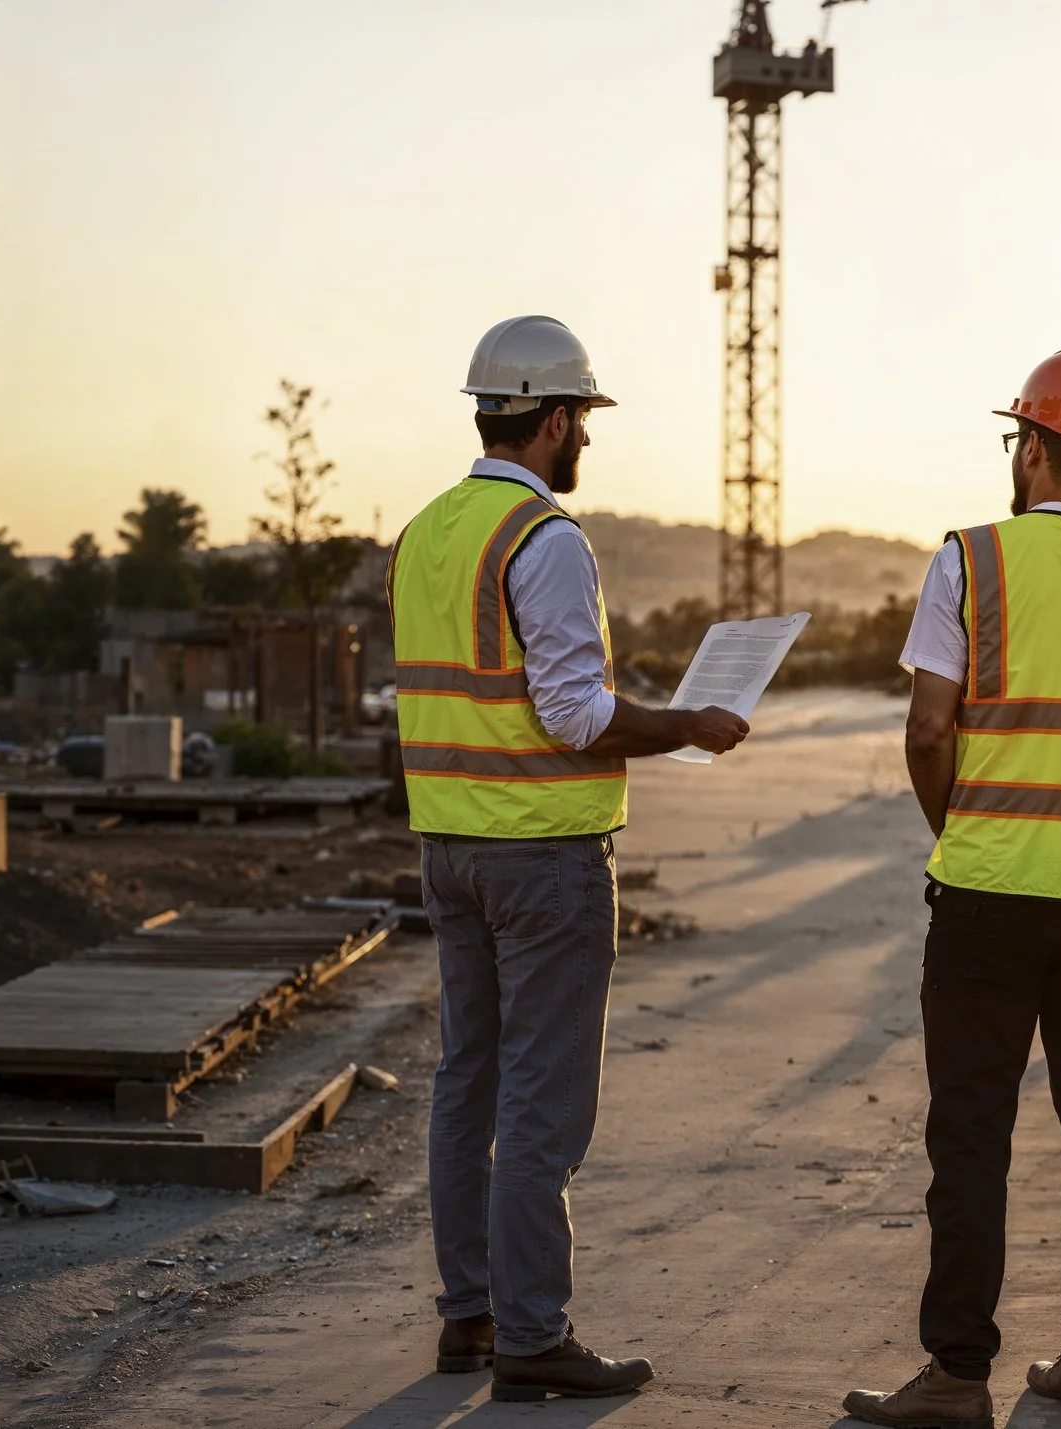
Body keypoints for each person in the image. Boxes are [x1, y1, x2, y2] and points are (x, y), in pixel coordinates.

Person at [393, 316, 750, 1404]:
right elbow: (571, 712)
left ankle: (470, 1317)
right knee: (542, 1103)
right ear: (552, 419)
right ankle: (533, 1339)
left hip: (449, 848)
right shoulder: (543, 539)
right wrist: (685, 724)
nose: (585, 441)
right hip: (539, 860)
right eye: (582, 422)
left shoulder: (426, 532)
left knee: (467, 1085)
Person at [842, 348, 1061, 1428]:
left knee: (970, 1134)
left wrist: (968, 835)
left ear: (1035, 446)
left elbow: (924, 730)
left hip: (988, 898)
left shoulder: (969, 561)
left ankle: (957, 1373)